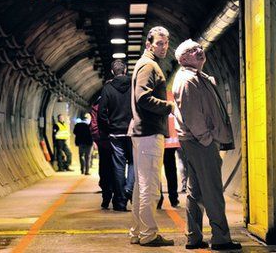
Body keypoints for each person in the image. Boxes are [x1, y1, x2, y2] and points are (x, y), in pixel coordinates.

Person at [172, 39, 241, 251]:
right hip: (199, 142)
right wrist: (206, 138)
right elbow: (192, 114)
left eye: (199, 48)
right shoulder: (187, 81)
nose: (199, 51)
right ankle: (220, 238)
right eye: (193, 51)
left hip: (196, 141)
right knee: (212, 191)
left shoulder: (197, 78)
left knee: (197, 191)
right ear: (183, 59)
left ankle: (193, 237)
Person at [128, 26, 175, 247]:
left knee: (141, 185)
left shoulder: (145, 63)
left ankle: (137, 232)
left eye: (166, 43)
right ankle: (149, 234)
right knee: (150, 186)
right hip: (148, 132)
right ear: (149, 44)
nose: (164, 47)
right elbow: (142, 98)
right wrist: (169, 106)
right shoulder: (149, 65)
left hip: (141, 132)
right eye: (159, 43)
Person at [98, 59, 134, 212]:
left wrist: (108, 127)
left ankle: (120, 202)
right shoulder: (134, 86)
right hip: (133, 132)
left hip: (115, 133)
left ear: (113, 72)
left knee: (118, 167)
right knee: (133, 162)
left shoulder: (107, 88)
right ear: (125, 70)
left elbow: (101, 113)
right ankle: (129, 189)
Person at [90, 96, 114, 208]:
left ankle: (107, 195)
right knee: (118, 167)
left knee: (104, 168)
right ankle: (119, 196)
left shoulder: (97, 105)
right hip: (118, 140)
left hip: (104, 142)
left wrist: (98, 139)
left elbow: (94, 126)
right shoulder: (123, 99)